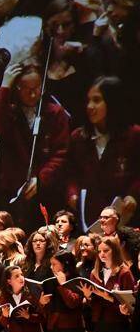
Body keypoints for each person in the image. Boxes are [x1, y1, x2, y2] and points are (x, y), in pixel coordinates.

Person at [0, 61, 70, 223]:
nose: (33, 95)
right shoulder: (9, 111)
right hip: (12, 188)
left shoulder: (55, 113)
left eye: (37, 88)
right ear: (17, 89)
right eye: (27, 90)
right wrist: (5, 86)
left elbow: (61, 153)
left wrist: (41, 179)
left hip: (45, 188)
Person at [64, 77, 139, 231]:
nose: (90, 106)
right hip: (90, 219)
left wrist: (134, 195)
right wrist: (72, 194)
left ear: (112, 102)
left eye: (97, 100)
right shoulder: (78, 137)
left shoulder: (134, 135)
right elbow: (70, 174)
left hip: (125, 218)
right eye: (88, 101)